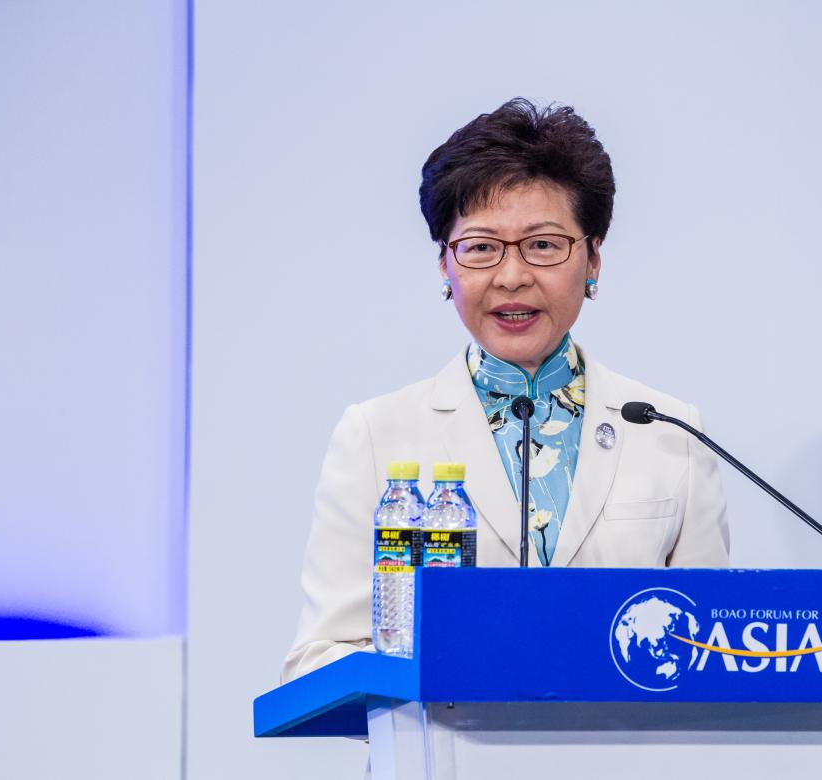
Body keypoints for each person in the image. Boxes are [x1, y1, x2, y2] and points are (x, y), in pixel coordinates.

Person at [282, 98, 729, 683]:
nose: (512, 276)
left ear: (593, 259)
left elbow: (716, 660)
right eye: (481, 247)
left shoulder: (672, 431)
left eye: (544, 245)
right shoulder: (375, 434)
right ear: (445, 266)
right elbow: (321, 658)